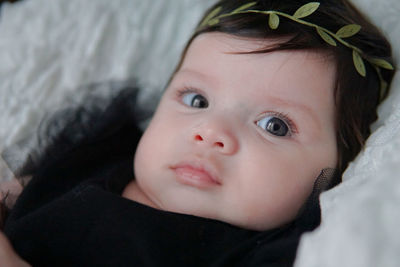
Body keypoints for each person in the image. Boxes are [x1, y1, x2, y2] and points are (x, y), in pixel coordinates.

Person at [0, 0, 395, 266]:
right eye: (196, 100)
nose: (210, 131)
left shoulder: (254, 255)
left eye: (274, 125)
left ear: (341, 165)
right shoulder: (95, 156)